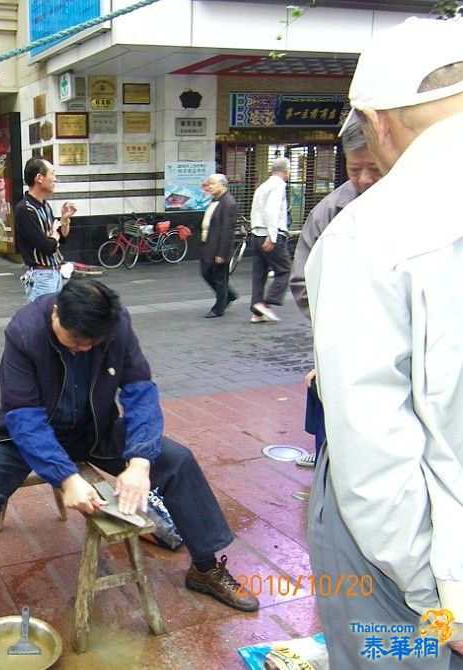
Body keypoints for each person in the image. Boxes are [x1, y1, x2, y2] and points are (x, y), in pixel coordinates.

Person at [0, 278, 259, 656]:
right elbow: (23, 417)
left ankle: (204, 567)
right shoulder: (24, 331)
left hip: (93, 428)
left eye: (92, 344)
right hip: (23, 434)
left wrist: (139, 461)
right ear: (56, 314)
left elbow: (139, 390)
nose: (84, 349)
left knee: (177, 460)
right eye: (76, 342)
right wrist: (66, 476)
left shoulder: (117, 324)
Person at [305, 17, 463, 667]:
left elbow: (374, 455)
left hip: (419, 569)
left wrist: (438, 602)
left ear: (380, 119)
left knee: (387, 650)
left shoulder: (372, 233)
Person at [288, 119, 381, 468]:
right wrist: (338, 332)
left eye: (374, 168)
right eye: (355, 169)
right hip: (345, 344)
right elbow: (302, 282)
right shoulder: (329, 212)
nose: (365, 179)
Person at [15, 157, 77, 302]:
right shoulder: (25, 209)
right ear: (39, 178)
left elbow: (62, 239)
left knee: (55, 320)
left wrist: (65, 219)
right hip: (42, 276)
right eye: (52, 174)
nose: (55, 179)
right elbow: (47, 246)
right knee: (43, 320)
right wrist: (53, 235)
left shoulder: (44, 206)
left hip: (55, 273)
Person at [248, 156, 292, 323]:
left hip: (256, 233)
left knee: (259, 274)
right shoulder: (278, 185)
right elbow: (271, 210)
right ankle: (266, 304)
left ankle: (257, 312)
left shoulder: (262, 186)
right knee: (285, 269)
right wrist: (272, 236)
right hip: (270, 234)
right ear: (286, 171)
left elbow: (255, 211)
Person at [198, 173, 239, 318]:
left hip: (219, 247)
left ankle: (219, 308)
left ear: (222, 185)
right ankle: (229, 295)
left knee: (220, 278)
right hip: (208, 244)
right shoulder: (216, 200)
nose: (210, 186)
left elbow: (227, 231)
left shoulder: (228, 203)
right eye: (209, 184)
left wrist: (222, 253)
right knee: (206, 272)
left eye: (213, 184)